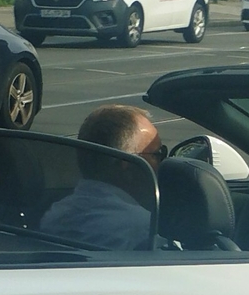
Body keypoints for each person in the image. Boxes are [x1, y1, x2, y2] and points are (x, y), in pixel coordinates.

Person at [35, 104, 161, 250]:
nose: (161, 163)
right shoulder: (144, 227)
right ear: (127, 164)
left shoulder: (55, 215)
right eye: (157, 154)